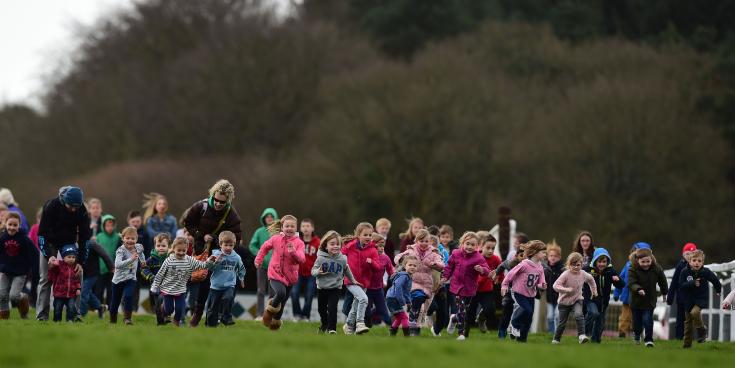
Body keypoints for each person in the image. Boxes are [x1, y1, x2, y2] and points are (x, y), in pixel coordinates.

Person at [183, 179, 242, 326]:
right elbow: (188, 223)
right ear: (212, 194)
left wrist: (216, 239)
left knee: (211, 285)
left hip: (218, 253)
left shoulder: (231, 214)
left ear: (228, 200)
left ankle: (206, 317)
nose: (217, 203)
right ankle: (190, 312)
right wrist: (200, 235)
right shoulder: (200, 206)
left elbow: (236, 236)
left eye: (222, 202)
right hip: (199, 250)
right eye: (215, 199)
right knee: (196, 282)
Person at [36, 186, 90, 321]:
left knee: (78, 273)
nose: (73, 209)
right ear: (63, 200)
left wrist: (81, 262)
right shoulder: (51, 206)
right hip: (50, 241)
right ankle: (42, 315)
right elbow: (41, 234)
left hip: (69, 243)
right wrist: (49, 256)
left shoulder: (82, 210)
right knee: (45, 278)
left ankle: (75, 314)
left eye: (76, 206)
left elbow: (84, 238)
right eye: (70, 206)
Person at [254, 215, 305, 331]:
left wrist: (293, 253)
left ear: (296, 228)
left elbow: (302, 259)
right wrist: (258, 259)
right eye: (287, 226)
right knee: (280, 293)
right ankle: (268, 311)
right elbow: (264, 248)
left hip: (290, 277)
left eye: (292, 226)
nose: (289, 228)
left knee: (283, 301)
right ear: (282, 227)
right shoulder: (276, 239)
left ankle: (275, 323)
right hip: (274, 273)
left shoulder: (299, 243)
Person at [150, 237, 216, 326]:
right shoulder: (169, 260)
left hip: (181, 290)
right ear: (173, 249)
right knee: (169, 309)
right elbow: (160, 274)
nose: (181, 253)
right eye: (179, 250)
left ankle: (176, 322)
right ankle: (163, 309)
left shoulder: (189, 260)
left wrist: (209, 261)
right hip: (168, 290)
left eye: (183, 251)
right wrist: (154, 286)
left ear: (187, 249)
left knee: (179, 309)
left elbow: (202, 265)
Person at [395, 228, 444, 336]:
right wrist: (402, 259)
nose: (424, 243)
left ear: (430, 242)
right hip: (412, 281)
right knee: (418, 297)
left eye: (426, 241)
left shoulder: (433, 252)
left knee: (423, 309)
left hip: (427, 283)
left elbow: (441, 264)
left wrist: (434, 265)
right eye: (421, 241)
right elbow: (397, 257)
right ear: (416, 241)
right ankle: (412, 318)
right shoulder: (411, 250)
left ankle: (415, 330)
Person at [442, 232, 491, 341]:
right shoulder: (455, 253)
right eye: (467, 243)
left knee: (463, 311)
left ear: (477, 246)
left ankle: (453, 318)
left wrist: (482, 270)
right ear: (462, 243)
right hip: (457, 287)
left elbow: (487, 270)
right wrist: (445, 277)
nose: (469, 247)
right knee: (462, 310)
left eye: (473, 245)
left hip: (470, 288)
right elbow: (449, 267)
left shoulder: (478, 257)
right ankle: (461, 334)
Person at [312, 231, 358, 334]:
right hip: (322, 288)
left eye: (337, 244)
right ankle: (324, 324)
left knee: (332, 308)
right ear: (326, 246)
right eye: (332, 244)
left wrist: (353, 280)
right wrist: (317, 272)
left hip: (336, 288)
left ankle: (332, 329)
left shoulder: (342, 259)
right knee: (321, 310)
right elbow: (313, 271)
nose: (335, 246)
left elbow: (346, 269)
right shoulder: (320, 258)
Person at [501, 240, 547, 343]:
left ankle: (522, 339)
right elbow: (510, 274)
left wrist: (542, 286)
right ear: (535, 253)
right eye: (543, 252)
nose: (545, 254)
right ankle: (513, 325)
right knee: (527, 310)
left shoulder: (540, 267)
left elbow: (541, 281)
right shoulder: (524, 264)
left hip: (531, 295)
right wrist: (504, 285)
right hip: (518, 292)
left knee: (529, 318)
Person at [678, 249, 721, 348]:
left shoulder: (705, 272)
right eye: (694, 260)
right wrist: (692, 283)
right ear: (689, 261)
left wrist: (718, 290)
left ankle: (702, 331)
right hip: (688, 300)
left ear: (703, 262)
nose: (696, 263)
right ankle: (687, 345)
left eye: (699, 261)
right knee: (688, 324)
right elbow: (681, 285)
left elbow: (715, 280)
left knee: (695, 312)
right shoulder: (684, 272)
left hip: (701, 298)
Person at [551, 252, 596, 344]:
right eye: (573, 264)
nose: (576, 267)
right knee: (562, 323)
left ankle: (581, 336)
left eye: (578, 265)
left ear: (582, 264)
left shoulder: (583, 274)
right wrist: (566, 289)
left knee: (579, 315)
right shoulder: (565, 274)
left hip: (577, 299)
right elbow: (555, 286)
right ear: (569, 264)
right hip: (564, 302)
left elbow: (591, 279)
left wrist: (594, 290)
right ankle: (556, 339)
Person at [628, 247, 668, 347]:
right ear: (637, 260)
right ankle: (637, 335)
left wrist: (664, 293)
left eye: (648, 261)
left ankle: (649, 340)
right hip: (636, 302)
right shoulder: (632, 269)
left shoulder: (656, 268)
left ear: (651, 259)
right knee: (637, 323)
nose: (646, 264)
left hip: (649, 301)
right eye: (643, 262)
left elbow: (663, 281)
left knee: (648, 321)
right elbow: (631, 283)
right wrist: (638, 289)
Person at [0, 212, 38, 319]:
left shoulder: (25, 239)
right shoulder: (2, 238)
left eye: (15, 225)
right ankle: (4, 317)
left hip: (20, 273)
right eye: (10, 224)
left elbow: (35, 254)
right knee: (2, 295)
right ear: (5, 224)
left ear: (19, 226)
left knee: (13, 296)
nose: (12, 227)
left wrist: (30, 267)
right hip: (5, 271)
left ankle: (23, 299)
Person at [582, 247, 624, 343]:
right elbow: (578, 278)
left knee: (600, 322)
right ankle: (584, 333)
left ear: (607, 261)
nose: (602, 264)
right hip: (590, 299)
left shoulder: (610, 271)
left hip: (603, 302)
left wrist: (617, 280)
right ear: (595, 261)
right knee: (593, 313)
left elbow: (622, 285)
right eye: (599, 262)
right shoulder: (587, 270)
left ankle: (595, 340)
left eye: (604, 262)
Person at [207, 231, 246, 327]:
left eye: (231, 245)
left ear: (234, 244)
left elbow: (241, 268)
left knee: (228, 298)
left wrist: (241, 279)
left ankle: (226, 317)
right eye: (226, 245)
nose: (228, 247)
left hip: (229, 285)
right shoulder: (215, 255)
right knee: (213, 308)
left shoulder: (236, 257)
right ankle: (211, 325)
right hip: (216, 286)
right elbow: (209, 268)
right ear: (220, 244)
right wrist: (215, 262)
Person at [613, 242, 651, 338]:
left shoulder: (648, 268)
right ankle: (622, 333)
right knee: (625, 317)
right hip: (627, 298)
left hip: (640, 299)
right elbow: (620, 279)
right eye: (635, 251)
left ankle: (637, 333)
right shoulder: (627, 265)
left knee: (638, 318)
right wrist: (617, 293)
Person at [109, 227, 146, 325]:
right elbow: (117, 265)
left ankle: (127, 319)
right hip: (118, 280)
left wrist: (143, 261)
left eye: (133, 239)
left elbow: (141, 253)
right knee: (115, 302)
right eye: (128, 238)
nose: (130, 241)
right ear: (123, 238)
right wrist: (131, 259)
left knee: (128, 296)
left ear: (136, 239)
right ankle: (113, 321)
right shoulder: (120, 250)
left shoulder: (138, 247)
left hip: (131, 278)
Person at [467, 234, 501, 334]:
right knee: (470, 313)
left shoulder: (496, 259)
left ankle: (481, 319)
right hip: (473, 290)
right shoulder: (474, 257)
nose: (490, 251)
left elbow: (500, 271)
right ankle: (464, 332)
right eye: (488, 248)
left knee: (490, 309)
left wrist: (498, 278)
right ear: (481, 246)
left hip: (487, 291)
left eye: (493, 248)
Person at [248, 208, 278, 321]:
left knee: (273, 292)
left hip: (275, 267)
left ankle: (270, 315)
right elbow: (252, 245)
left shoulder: (278, 233)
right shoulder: (259, 232)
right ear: (264, 219)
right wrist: (260, 255)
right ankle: (259, 314)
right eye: (267, 217)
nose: (269, 219)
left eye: (271, 216)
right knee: (260, 290)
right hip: (261, 265)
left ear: (275, 218)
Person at [667, 243, 698, 340]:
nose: (690, 256)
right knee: (680, 318)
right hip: (681, 299)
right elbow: (674, 282)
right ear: (683, 255)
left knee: (691, 319)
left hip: (693, 298)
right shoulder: (680, 266)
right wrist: (670, 297)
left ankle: (689, 337)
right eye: (688, 254)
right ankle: (679, 337)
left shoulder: (697, 266)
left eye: (692, 254)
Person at [291, 218, 319, 322]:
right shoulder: (296, 240)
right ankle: (297, 315)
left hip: (312, 274)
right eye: (303, 226)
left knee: (309, 295)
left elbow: (320, 258)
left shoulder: (318, 242)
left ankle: (305, 316)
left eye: (308, 226)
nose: (305, 228)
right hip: (297, 272)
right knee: (294, 293)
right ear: (300, 228)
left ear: (312, 228)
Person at [494, 245, 525, 339]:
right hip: (509, 292)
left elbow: (542, 268)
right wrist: (497, 273)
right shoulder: (511, 263)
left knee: (519, 313)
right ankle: (502, 330)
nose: (523, 258)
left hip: (521, 294)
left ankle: (514, 330)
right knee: (507, 312)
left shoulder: (529, 266)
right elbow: (502, 265)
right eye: (521, 255)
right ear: (516, 255)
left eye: (526, 256)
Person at [79, 237, 114, 318]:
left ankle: (81, 314)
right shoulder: (74, 243)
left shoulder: (92, 243)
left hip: (92, 274)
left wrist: (111, 267)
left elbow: (104, 254)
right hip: (82, 273)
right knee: (88, 293)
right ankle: (100, 307)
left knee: (83, 292)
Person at [141, 233, 170, 325]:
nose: (161, 248)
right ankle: (160, 323)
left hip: (168, 286)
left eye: (163, 246)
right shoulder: (151, 259)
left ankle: (166, 315)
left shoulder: (171, 258)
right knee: (157, 306)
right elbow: (143, 269)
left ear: (168, 246)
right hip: (155, 287)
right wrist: (150, 276)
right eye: (158, 245)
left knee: (165, 301)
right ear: (155, 246)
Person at [365, 232, 394, 327]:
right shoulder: (367, 257)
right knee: (367, 310)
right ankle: (366, 325)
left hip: (379, 288)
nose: (381, 248)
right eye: (379, 246)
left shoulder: (385, 258)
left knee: (383, 310)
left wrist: (396, 278)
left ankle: (392, 327)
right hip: (367, 288)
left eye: (383, 246)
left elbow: (391, 270)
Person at [47, 244, 82, 322]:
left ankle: (70, 320)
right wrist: (53, 266)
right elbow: (51, 273)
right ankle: (57, 321)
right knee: (57, 308)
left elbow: (77, 280)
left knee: (71, 308)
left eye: (73, 257)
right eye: (69, 257)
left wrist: (78, 288)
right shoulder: (59, 265)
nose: (71, 259)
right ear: (63, 257)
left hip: (71, 294)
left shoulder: (75, 267)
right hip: (59, 293)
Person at [386, 255, 419, 337]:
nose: (412, 267)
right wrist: (402, 301)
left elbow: (406, 292)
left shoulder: (408, 277)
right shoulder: (404, 276)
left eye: (415, 266)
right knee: (404, 318)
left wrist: (408, 302)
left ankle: (392, 333)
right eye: (410, 265)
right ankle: (407, 336)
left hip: (393, 298)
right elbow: (398, 287)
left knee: (399, 318)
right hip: (393, 298)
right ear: (405, 266)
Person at [94, 214, 119, 307]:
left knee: (111, 290)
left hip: (113, 269)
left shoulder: (118, 237)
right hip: (101, 268)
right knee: (99, 290)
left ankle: (110, 308)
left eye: (112, 225)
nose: (110, 227)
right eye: (107, 225)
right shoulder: (99, 236)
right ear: (103, 226)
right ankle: (97, 308)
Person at [543, 241, 564, 333]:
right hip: (549, 297)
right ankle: (551, 332)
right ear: (547, 257)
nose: (553, 258)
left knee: (557, 315)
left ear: (559, 257)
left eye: (555, 256)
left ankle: (557, 332)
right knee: (550, 316)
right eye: (551, 256)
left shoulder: (562, 268)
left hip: (560, 297)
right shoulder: (545, 268)